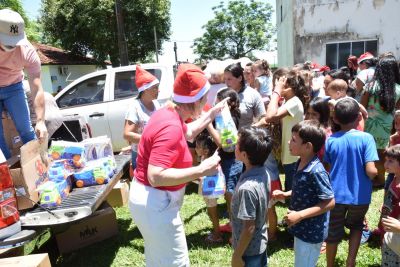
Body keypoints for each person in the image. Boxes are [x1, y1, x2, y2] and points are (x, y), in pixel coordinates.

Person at [128, 64, 226, 266]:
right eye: (206, 99)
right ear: (196, 100)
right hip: (155, 204)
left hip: (148, 200)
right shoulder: (170, 126)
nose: (207, 102)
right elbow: (156, 176)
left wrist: (211, 114)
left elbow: (187, 132)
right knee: (176, 262)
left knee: (159, 259)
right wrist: (201, 170)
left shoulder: (169, 111)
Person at [324, 98, 378, 267]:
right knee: (356, 226)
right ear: (358, 117)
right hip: (359, 196)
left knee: (333, 231)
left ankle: (330, 264)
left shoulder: (331, 140)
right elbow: (371, 170)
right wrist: (375, 174)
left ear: (335, 119)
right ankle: (350, 262)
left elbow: (327, 166)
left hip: (336, 196)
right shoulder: (366, 138)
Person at [273, 120, 335, 267]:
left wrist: (299, 215)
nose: (289, 142)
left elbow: (330, 202)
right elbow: (304, 188)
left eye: (294, 140)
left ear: (307, 147)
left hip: (311, 232)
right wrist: (286, 194)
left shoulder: (316, 171)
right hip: (301, 228)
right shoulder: (300, 162)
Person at [0, 9, 47, 159]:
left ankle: (36, 166)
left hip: (14, 88)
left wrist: (40, 121)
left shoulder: (28, 52)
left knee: (26, 130)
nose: (12, 47)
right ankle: (6, 175)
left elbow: (37, 87)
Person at [231, 127, 272, 267]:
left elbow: (249, 228)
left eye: (236, 143)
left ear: (243, 154)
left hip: (248, 251)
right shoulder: (263, 172)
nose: (234, 145)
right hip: (260, 242)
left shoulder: (247, 189)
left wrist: (237, 256)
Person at [206, 88, 243, 237]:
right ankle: (233, 223)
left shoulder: (230, 119)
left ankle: (236, 226)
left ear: (231, 103)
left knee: (230, 193)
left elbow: (223, 144)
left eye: (220, 102)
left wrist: (208, 124)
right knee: (227, 192)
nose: (216, 105)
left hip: (232, 161)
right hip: (224, 160)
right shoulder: (223, 116)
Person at [264, 70, 307, 191]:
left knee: (294, 193)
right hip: (289, 154)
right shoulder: (287, 102)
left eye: (277, 84)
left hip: (294, 156)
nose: (274, 87)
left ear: (288, 86)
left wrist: (276, 93)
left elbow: (269, 117)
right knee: (290, 188)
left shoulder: (294, 102)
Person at [361, 54, 400, 186]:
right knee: (383, 153)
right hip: (386, 125)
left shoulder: (370, 86)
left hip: (369, 125)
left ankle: (369, 176)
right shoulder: (398, 88)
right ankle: (381, 179)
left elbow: (362, 106)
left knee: (368, 152)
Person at [123, 65, 160, 169]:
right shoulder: (135, 107)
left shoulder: (156, 104)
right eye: (155, 88)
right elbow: (127, 134)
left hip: (155, 152)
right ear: (145, 89)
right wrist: (150, 140)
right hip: (141, 155)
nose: (158, 90)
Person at [223, 63, 266, 129]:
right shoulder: (221, 93)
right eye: (225, 79)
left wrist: (249, 131)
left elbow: (263, 120)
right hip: (225, 138)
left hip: (245, 138)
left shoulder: (253, 94)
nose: (226, 82)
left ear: (240, 78)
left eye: (229, 79)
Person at [381, 145, 400, 266]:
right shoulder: (395, 177)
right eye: (386, 160)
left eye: (391, 161)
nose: (385, 164)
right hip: (390, 235)